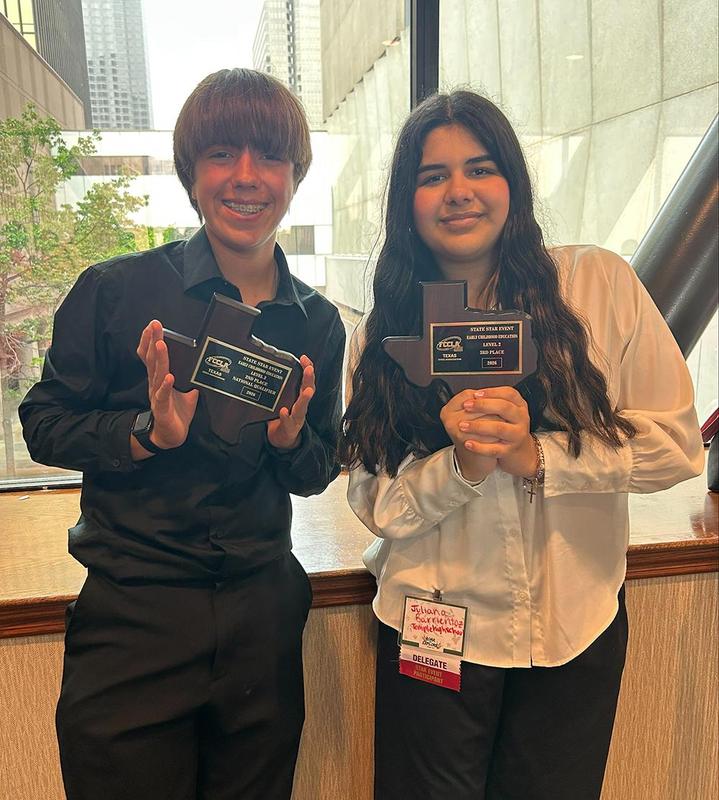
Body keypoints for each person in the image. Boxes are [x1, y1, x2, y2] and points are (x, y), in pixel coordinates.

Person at [341, 90, 703, 800]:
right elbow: (377, 505)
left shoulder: (596, 285)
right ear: (405, 202)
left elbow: (676, 446)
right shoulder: (382, 329)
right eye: (431, 176)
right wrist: (463, 465)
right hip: (432, 625)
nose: (457, 193)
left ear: (512, 181)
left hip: (575, 623)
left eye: (479, 169)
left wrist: (539, 455)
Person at [19, 68, 345, 800]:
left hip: (260, 615)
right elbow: (43, 421)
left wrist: (293, 441)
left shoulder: (316, 324)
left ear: (294, 176)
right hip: (135, 611)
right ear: (191, 173)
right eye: (222, 154)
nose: (246, 178)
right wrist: (147, 432)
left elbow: (318, 465)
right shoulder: (116, 290)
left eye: (269, 158)